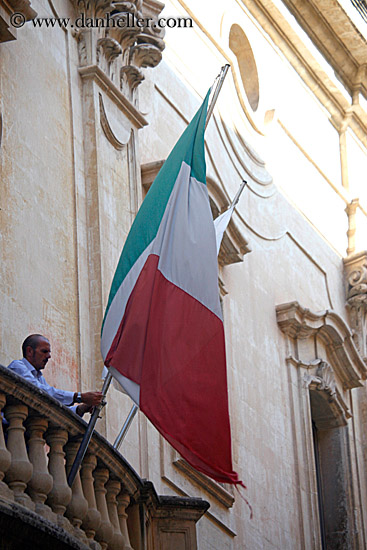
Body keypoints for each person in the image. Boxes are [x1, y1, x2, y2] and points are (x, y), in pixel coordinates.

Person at [7, 334, 102, 417]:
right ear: (29, 351)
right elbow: (39, 392)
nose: (49, 356)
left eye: (49, 352)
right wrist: (80, 397)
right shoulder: (17, 366)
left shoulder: (40, 378)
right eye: (44, 351)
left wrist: (82, 408)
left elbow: (54, 405)